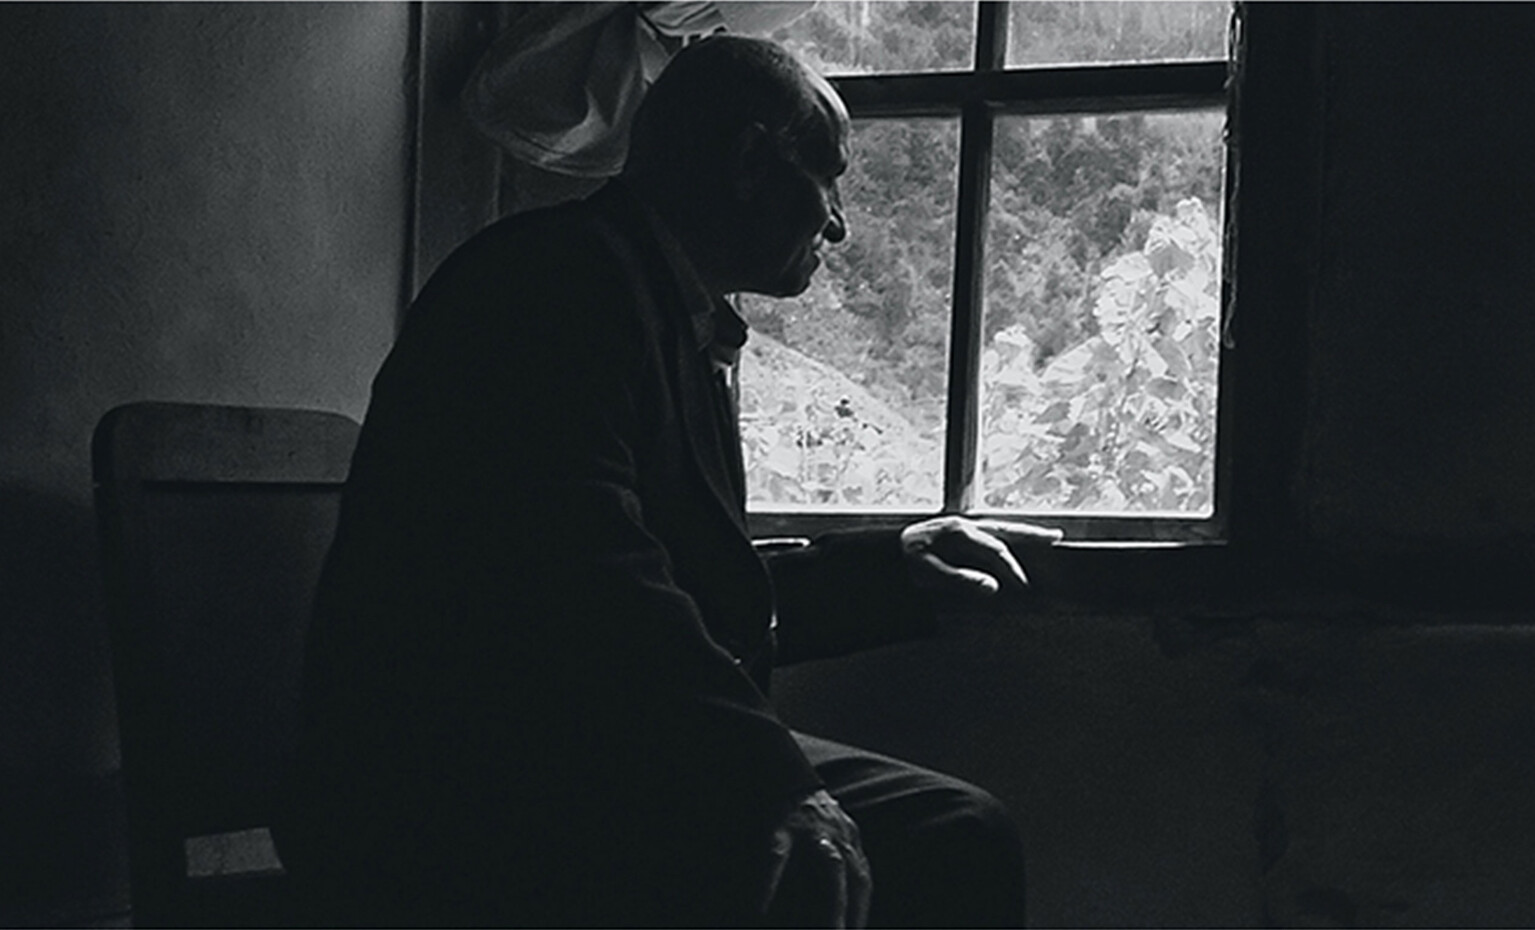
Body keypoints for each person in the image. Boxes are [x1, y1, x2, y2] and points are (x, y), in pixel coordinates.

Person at [274, 34, 1062, 928]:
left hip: (573, 749)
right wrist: (768, 781)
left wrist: (896, 564)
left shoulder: (644, 302)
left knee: (953, 827)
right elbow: (589, 586)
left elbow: (677, 587)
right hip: (461, 784)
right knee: (943, 844)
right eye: (828, 177)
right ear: (750, 161)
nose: (837, 222)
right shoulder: (550, 290)